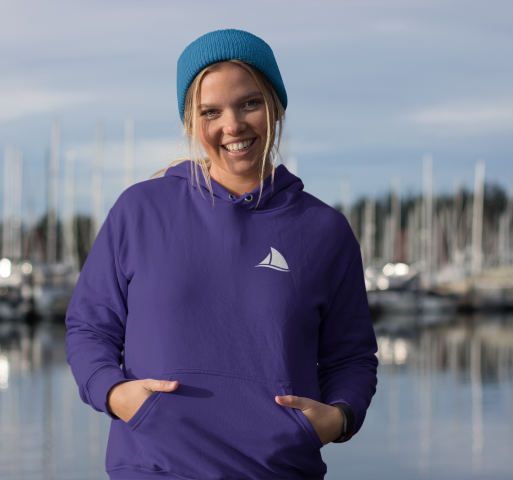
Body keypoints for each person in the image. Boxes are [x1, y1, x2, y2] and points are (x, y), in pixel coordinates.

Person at [65, 28, 378, 480]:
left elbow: (351, 357)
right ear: (191, 124)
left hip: (278, 470)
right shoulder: (140, 211)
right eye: (210, 112)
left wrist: (339, 418)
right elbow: (89, 328)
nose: (232, 126)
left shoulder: (324, 230)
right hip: (154, 469)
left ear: (275, 106)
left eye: (249, 103)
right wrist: (115, 394)